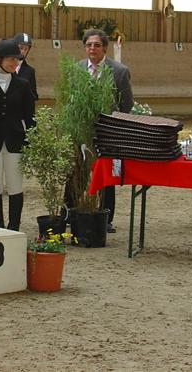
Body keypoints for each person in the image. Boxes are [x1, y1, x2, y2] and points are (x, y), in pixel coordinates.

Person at [79, 28, 134, 233]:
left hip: (107, 132)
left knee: (105, 174)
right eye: (89, 45)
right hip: (82, 129)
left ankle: (106, 217)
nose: (92, 49)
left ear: (104, 48)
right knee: (78, 171)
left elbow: (126, 103)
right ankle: (73, 211)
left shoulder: (119, 71)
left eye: (96, 45)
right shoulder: (77, 68)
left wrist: (114, 125)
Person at [0, 39, 35, 231]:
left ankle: (14, 227)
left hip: (15, 141)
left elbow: (30, 117)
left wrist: (31, 144)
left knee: (15, 186)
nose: (15, 63)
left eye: (17, 59)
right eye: (11, 59)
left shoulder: (23, 84)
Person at [13, 32, 39, 101]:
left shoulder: (30, 71)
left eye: (26, 49)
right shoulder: (7, 67)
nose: (23, 51)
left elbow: (34, 95)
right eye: (21, 48)